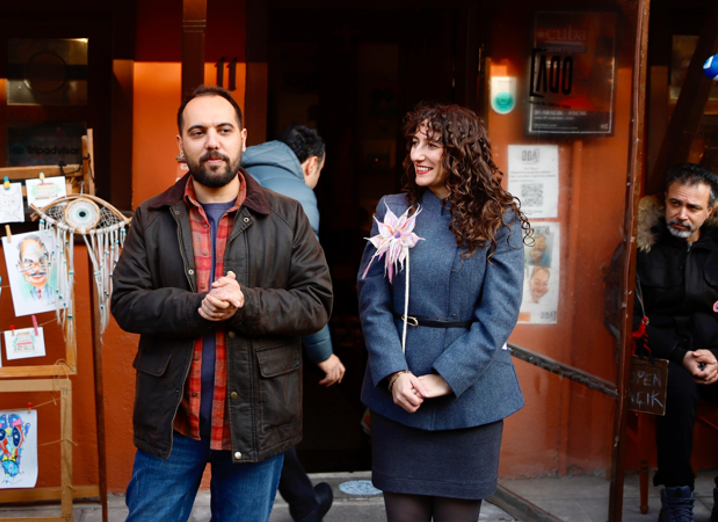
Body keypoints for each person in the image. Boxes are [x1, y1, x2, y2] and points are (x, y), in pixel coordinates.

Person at [110, 85, 333, 522]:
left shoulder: (288, 216)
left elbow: (315, 302)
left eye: (224, 130)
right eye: (198, 132)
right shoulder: (150, 218)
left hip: (256, 419)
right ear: (181, 144)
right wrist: (197, 307)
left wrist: (245, 304)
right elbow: (127, 303)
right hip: (173, 422)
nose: (212, 142)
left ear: (242, 139)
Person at [358, 102, 527, 522]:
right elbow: (373, 301)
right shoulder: (394, 210)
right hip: (400, 395)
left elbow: (499, 315)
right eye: (414, 142)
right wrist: (394, 373)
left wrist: (446, 377)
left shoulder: (499, 218)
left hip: (471, 398)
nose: (417, 154)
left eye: (431, 145)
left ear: (461, 151)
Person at [634, 163, 718, 522]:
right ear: (664, 201)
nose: (682, 214)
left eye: (693, 207)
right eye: (675, 203)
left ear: (709, 211)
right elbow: (624, 317)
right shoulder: (640, 249)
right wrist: (680, 354)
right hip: (659, 356)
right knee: (677, 393)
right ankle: (677, 497)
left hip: (714, 354)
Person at [243, 124, 342, 522]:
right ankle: (304, 504)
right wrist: (325, 354)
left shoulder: (236, 171)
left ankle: (304, 502)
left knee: (263, 420)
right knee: (271, 419)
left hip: (222, 317)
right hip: (268, 326)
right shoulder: (298, 195)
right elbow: (307, 287)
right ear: (312, 163)